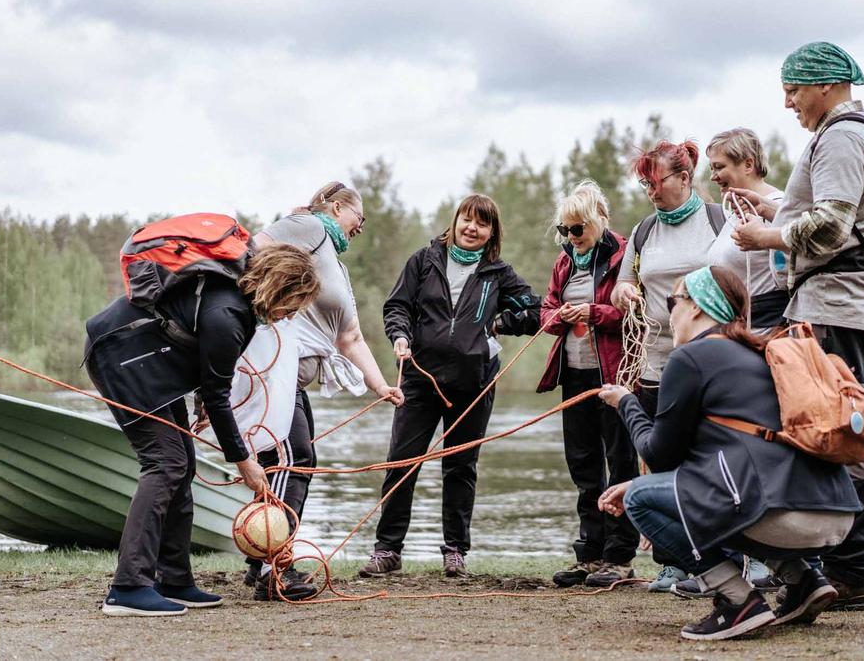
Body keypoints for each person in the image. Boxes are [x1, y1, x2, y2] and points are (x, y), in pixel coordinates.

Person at [597, 266, 862, 640]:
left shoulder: (690, 359)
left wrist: (626, 403)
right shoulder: (763, 352)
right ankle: (804, 580)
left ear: (696, 307)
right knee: (711, 496)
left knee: (640, 497)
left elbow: (659, 457)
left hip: (778, 516)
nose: (669, 313)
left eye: (673, 302)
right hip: (834, 517)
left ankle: (737, 601)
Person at [731, 41, 864, 610]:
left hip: (834, 306)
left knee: (833, 431)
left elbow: (830, 228)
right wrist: (776, 210)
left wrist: (766, 236)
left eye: (793, 90)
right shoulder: (851, 134)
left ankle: (851, 572)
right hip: (837, 303)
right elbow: (828, 220)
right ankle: (838, 568)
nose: (788, 102)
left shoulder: (843, 137)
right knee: (825, 428)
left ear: (824, 84)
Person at [84, 243, 320, 617]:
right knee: (165, 464)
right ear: (278, 287)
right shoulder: (228, 314)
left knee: (183, 465)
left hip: (151, 367)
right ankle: (128, 586)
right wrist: (244, 462)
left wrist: (202, 403)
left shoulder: (234, 301)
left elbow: (204, 365)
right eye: (292, 303)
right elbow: (219, 391)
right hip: (121, 358)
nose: (289, 314)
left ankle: (174, 578)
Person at [237, 181, 405, 601]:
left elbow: (349, 337)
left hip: (293, 382)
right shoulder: (309, 227)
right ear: (334, 206)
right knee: (294, 461)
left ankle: (263, 561)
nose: (361, 228)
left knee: (296, 462)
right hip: (275, 374)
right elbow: (251, 250)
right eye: (358, 218)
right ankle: (277, 568)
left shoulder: (333, 260)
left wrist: (380, 384)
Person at [360, 194, 541, 578]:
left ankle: (455, 550)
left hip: (474, 384)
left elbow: (536, 311)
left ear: (492, 232)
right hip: (419, 379)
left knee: (460, 468)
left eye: (482, 223)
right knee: (401, 464)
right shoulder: (423, 261)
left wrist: (501, 324)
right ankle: (387, 550)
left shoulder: (498, 273)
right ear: (455, 221)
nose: (472, 228)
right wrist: (399, 336)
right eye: (467, 219)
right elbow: (397, 306)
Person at [610, 139, 725, 591]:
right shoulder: (643, 231)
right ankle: (672, 560)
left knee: (710, 456)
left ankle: (728, 557)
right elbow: (624, 284)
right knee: (659, 458)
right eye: (645, 185)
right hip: (656, 362)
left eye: (657, 183)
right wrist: (624, 294)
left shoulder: (716, 221)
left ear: (684, 177)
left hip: (712, 361)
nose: (651, 192)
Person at [536, 181, 639, 588]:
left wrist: (594, 311)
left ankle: (620, 557)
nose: (571, 237)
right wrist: (559, 316)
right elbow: (545, 312)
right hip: (574, 374)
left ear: (600, 220)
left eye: (578, 228)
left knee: (621, 461)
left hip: (614, 374)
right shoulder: (564, 262)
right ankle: (590, 553)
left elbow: (635, 311)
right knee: (582, 463)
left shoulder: (625, 253)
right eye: (565, 230)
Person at [706, 128, 788, 330]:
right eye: (711, 169)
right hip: (736, 330)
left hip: (766, 331)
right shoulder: (733, 211)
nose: (713, 177)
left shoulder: (780, 208)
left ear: (748, 164)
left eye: (719, 167)